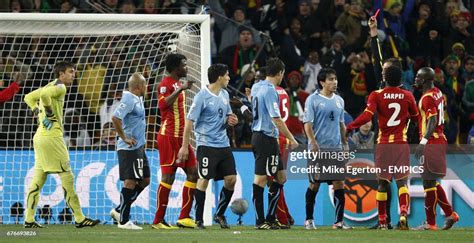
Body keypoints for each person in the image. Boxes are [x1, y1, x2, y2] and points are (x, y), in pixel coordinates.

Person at [23, 61, 99, 228]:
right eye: (71, 72)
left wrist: (37, 111)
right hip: (52, 137)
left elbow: (28, 97)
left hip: (40, 136)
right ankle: (79, 218)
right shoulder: (61, 87)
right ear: (61, 74)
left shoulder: (49, 85)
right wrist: (49, 113)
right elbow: (44, 97)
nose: (74, 75)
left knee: (38, 178)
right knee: (67, 176)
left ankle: (29, 219)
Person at [347, 65, 419, 230]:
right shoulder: (408, 95)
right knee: (402, 183)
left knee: (382, 183)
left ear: (385, 78)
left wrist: (351, 126)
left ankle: (382, 221)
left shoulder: (376, 95)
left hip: (384, 144)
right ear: (401, 80)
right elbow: (416, 118)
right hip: (401, 143)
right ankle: (402, 213)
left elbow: (367, 115)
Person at [178, 64, 239, 229]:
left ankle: (219, 214)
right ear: (219, 77)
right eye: (227, 75)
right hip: (206, 144)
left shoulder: (225, 94)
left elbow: (227, 117)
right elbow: (189, 122)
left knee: (231, 179)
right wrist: (184, 146)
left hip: (223, 144)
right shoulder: (201, 96)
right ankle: (198, 219)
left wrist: (231, 120)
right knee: (203, 180)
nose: (229, 78)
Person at [250, 58, 298, 229]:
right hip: (266, 137)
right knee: (260, 180)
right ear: (280, 73)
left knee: (281, 177)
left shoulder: (257, 86)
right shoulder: (271, 90)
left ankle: (270, 218)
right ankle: (260, 221)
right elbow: (276, 118)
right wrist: (292, 138)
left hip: (262, 136)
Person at [303, 68, 352, 230]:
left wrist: (345, 144)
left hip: (335, 149)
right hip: (318, 149)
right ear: (322, 82)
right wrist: (313, 142)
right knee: (314, 184)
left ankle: (338, 222)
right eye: (331, 79)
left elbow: (341, 124)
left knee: (339, 183)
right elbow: (307, 124)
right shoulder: (312, 100)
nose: (334, 82)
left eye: (335, 79)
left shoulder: (339, 100)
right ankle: (309, 219)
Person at [152, 53, 197, 229]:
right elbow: (162, 106)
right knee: (168, 177)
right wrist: (180, 89)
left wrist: (182, 87)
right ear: (174, 67)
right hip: (168, 136)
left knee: (193, 172)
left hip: (181, 138)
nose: (186, 67)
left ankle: (184, 217)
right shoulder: (165, 84)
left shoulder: (178, 84)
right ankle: (158, 220)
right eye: (184, 65)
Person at [413, 67, 460, 230]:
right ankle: (450, 214)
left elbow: (432, 122)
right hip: (439, 139)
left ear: (425, 80)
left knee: (428, 181)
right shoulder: (438, 92)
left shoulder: (426, 98)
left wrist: (423, 142)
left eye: (418, 77)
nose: (415, 79)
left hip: (432, 142)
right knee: (430, 180)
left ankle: (431, 223)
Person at [109, 73, 150, 230]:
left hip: (139, 147)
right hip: (129, 148)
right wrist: (124, 137)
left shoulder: (138, 98)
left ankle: (119, 210)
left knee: (145, 179)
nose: (147, 87)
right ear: (138, 87)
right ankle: (124, 221)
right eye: (145, 84)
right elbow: (115, 118)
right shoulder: (129, 99)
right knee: (130, 182)